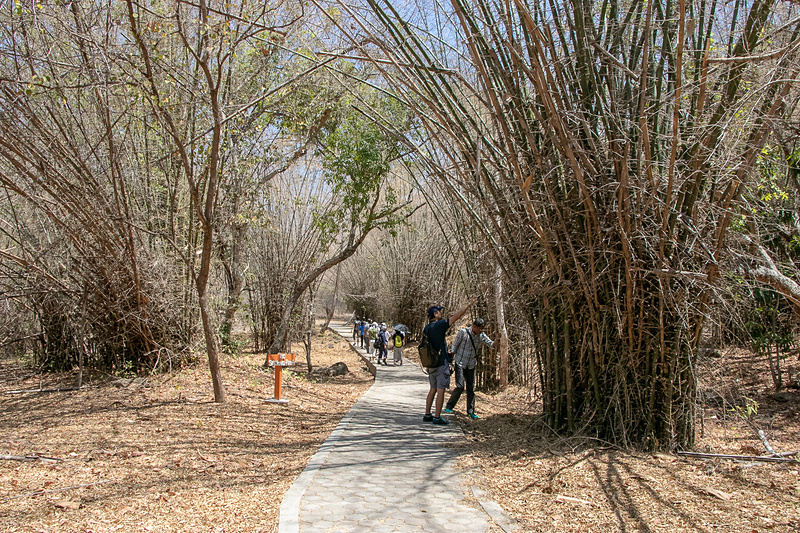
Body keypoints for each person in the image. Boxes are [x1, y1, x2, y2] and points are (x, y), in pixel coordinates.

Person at [423, 297, 479, 425]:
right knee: (440, 389)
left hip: (431, 363)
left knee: (432, 389)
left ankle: (427, 414)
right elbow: (457, 317)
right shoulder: (440, 325)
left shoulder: (426, 328)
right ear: (435, 314)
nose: (441, 313)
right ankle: (437, 417)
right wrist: (468, 304)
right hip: (441, 363)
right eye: (439, 312)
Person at [444, 318, 494, 419]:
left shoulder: (481, 335)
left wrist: (497, 339)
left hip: (471, 364)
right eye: (480, 329)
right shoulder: (463, 333)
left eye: (482, 329)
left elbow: (491, 345)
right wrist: (450, 363)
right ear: (474, 326)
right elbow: (454, 347)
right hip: (460, 363)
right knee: (460, 386)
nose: (481, 331)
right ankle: (449, 406)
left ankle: (470, 411)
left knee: (471, 388)